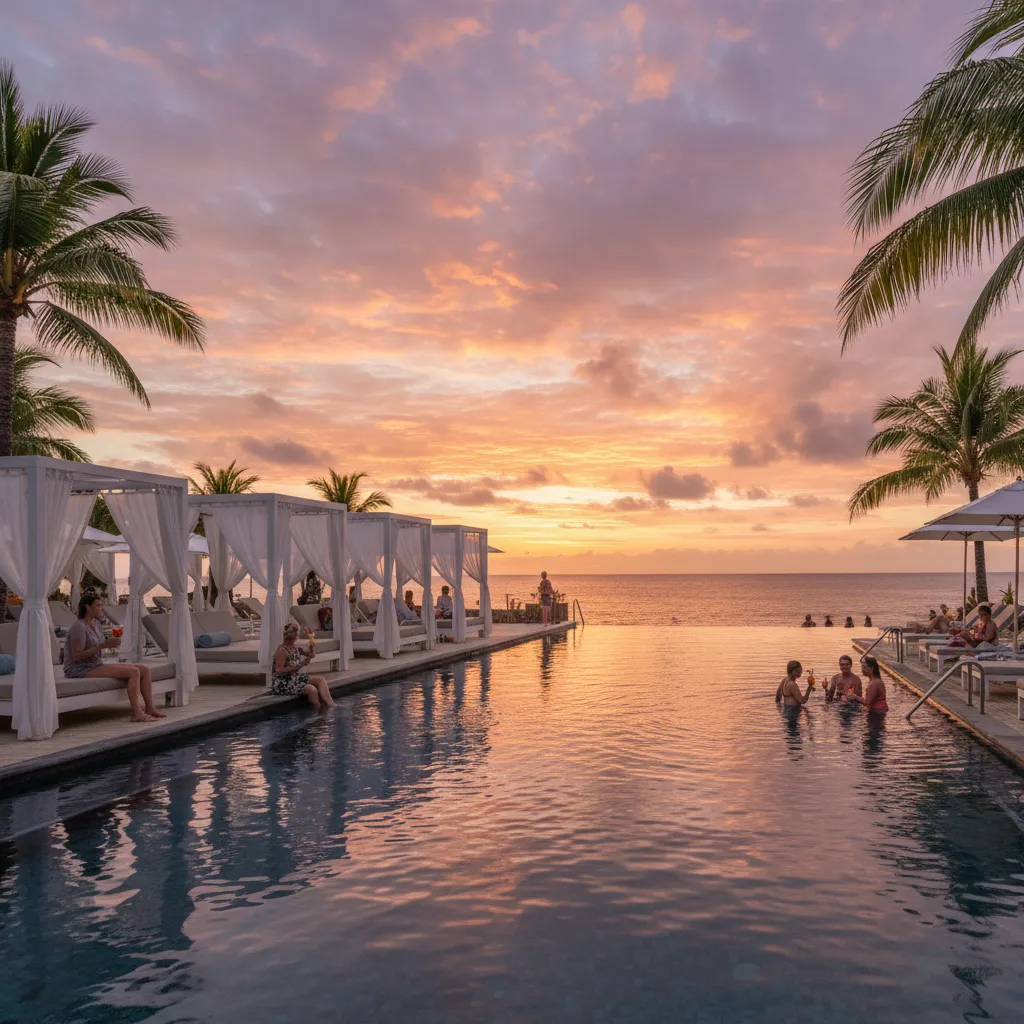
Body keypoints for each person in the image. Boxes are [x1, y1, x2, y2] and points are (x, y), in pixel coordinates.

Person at [64, 593, 166, 723]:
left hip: (95, 664)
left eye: (101, 605)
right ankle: (136, 712)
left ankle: (150, 708)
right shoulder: (79, 627)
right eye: (98, 605)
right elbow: (77, 655)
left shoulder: (96, 623)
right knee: (134, 672)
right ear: (88, 607)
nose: (101, 608)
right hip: (80, 668)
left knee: (144, 669)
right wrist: (102, 646)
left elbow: (99, 646)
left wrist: (109, 644)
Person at [271, 622, 334, 707]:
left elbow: (311, 655)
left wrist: (311, 646)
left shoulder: (295, 648)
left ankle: (331, 704)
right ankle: (318, 710)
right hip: (282, 683)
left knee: (321, 680)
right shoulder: (282, 650)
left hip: (294, 678)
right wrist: (299, 665)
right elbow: (279, 670)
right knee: (312, 690)